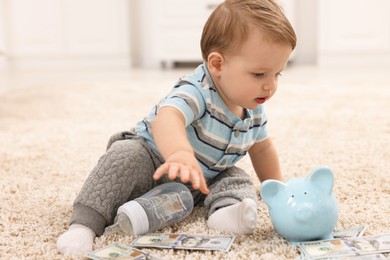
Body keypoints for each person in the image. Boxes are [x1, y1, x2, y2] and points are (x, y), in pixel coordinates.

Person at [57, 0, 296, 256]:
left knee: (236, 178)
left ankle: (225, 214)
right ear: (217, 64)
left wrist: (277, 190)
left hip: (200, 181)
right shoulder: (198, 90)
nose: (270, 86)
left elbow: (262, 150)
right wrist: (179, 153)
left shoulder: (253, 109)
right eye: (259, 74)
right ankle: (83, 225)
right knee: (123, 157)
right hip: (154, 162)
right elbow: (168, 117)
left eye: (277, 74)